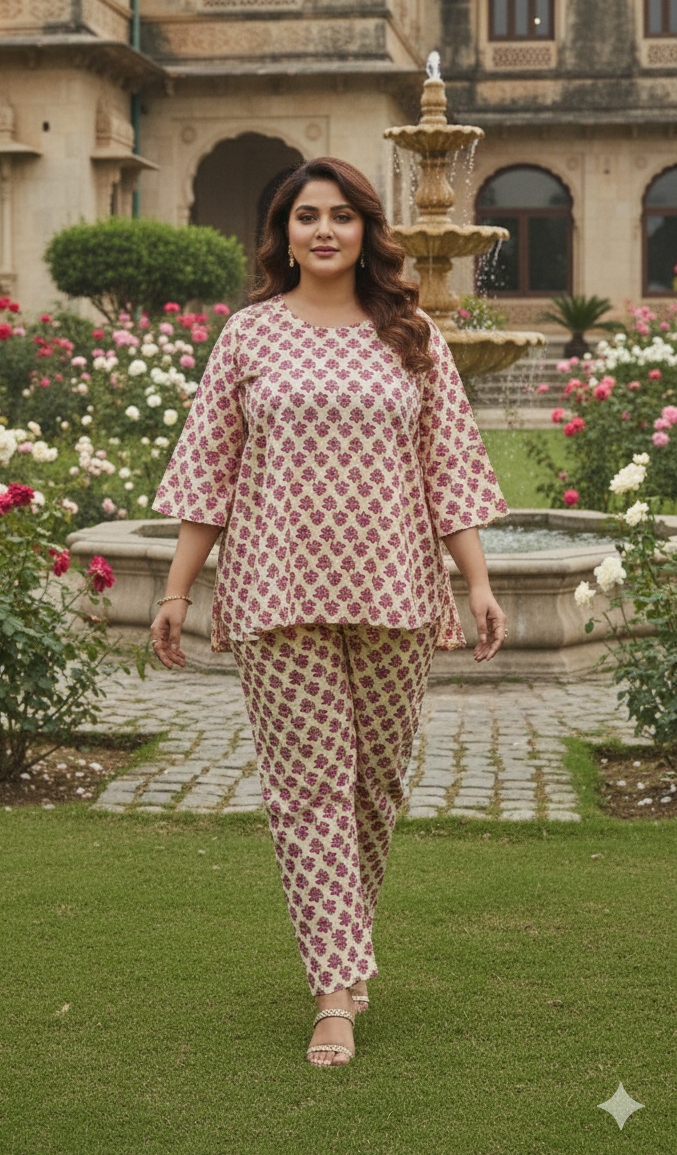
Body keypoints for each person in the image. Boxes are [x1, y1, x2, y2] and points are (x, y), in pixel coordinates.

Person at [150, 157, 508, 1068]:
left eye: (341, 216)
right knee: (308, 792)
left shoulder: (410, 334)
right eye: (306, 216)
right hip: (276, 596)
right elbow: (209, 471)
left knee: (376, 785)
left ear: (366, 230)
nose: (323, 230)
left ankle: (340, 948)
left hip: (395, 592)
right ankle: (334, 992)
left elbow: (450, 469)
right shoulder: (249, 336)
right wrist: (175, 588)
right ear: (282, 233)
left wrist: (476, 583)